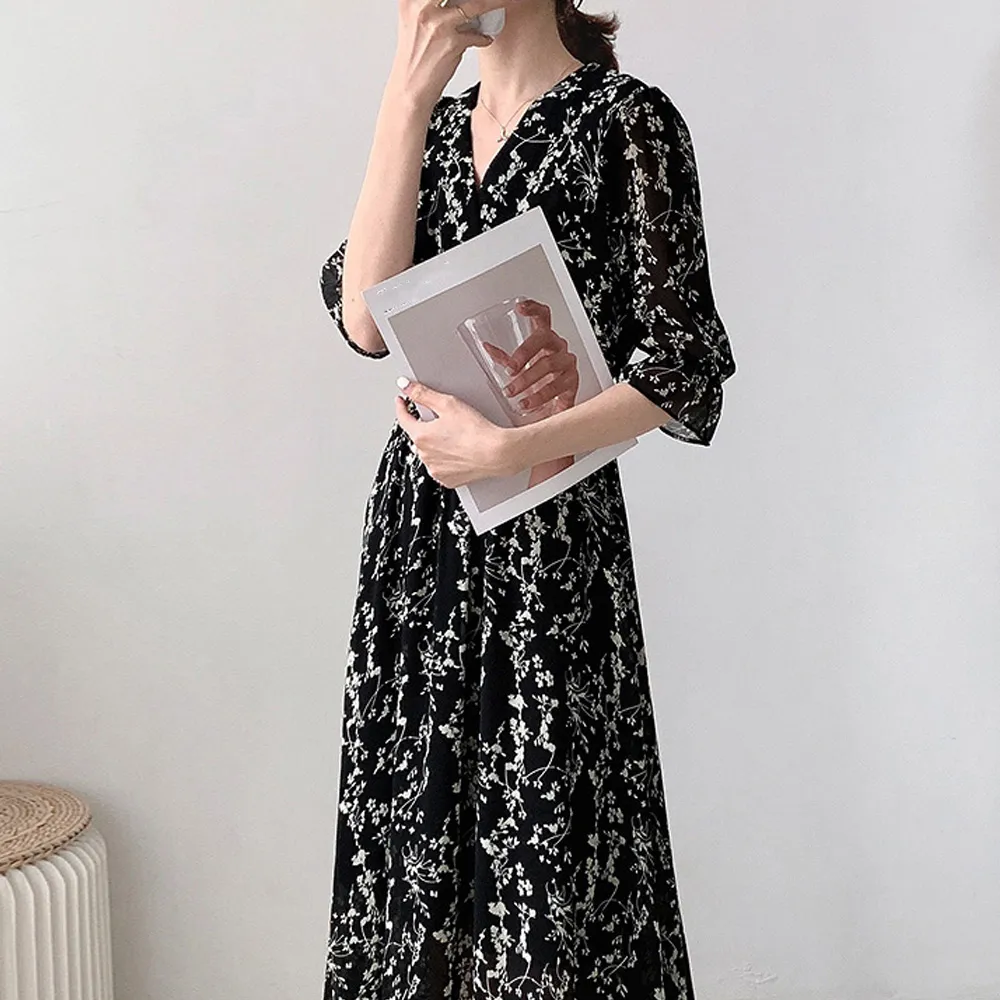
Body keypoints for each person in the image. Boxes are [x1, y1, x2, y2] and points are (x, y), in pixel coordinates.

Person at [318, 0, 737, 996]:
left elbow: (680, 365)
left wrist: (511, 446)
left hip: (552, 534)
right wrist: (406, 95)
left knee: (549, 839)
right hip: (420, 537)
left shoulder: (625, 121)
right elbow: (364, 320)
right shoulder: (431, 125)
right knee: (413, 836)